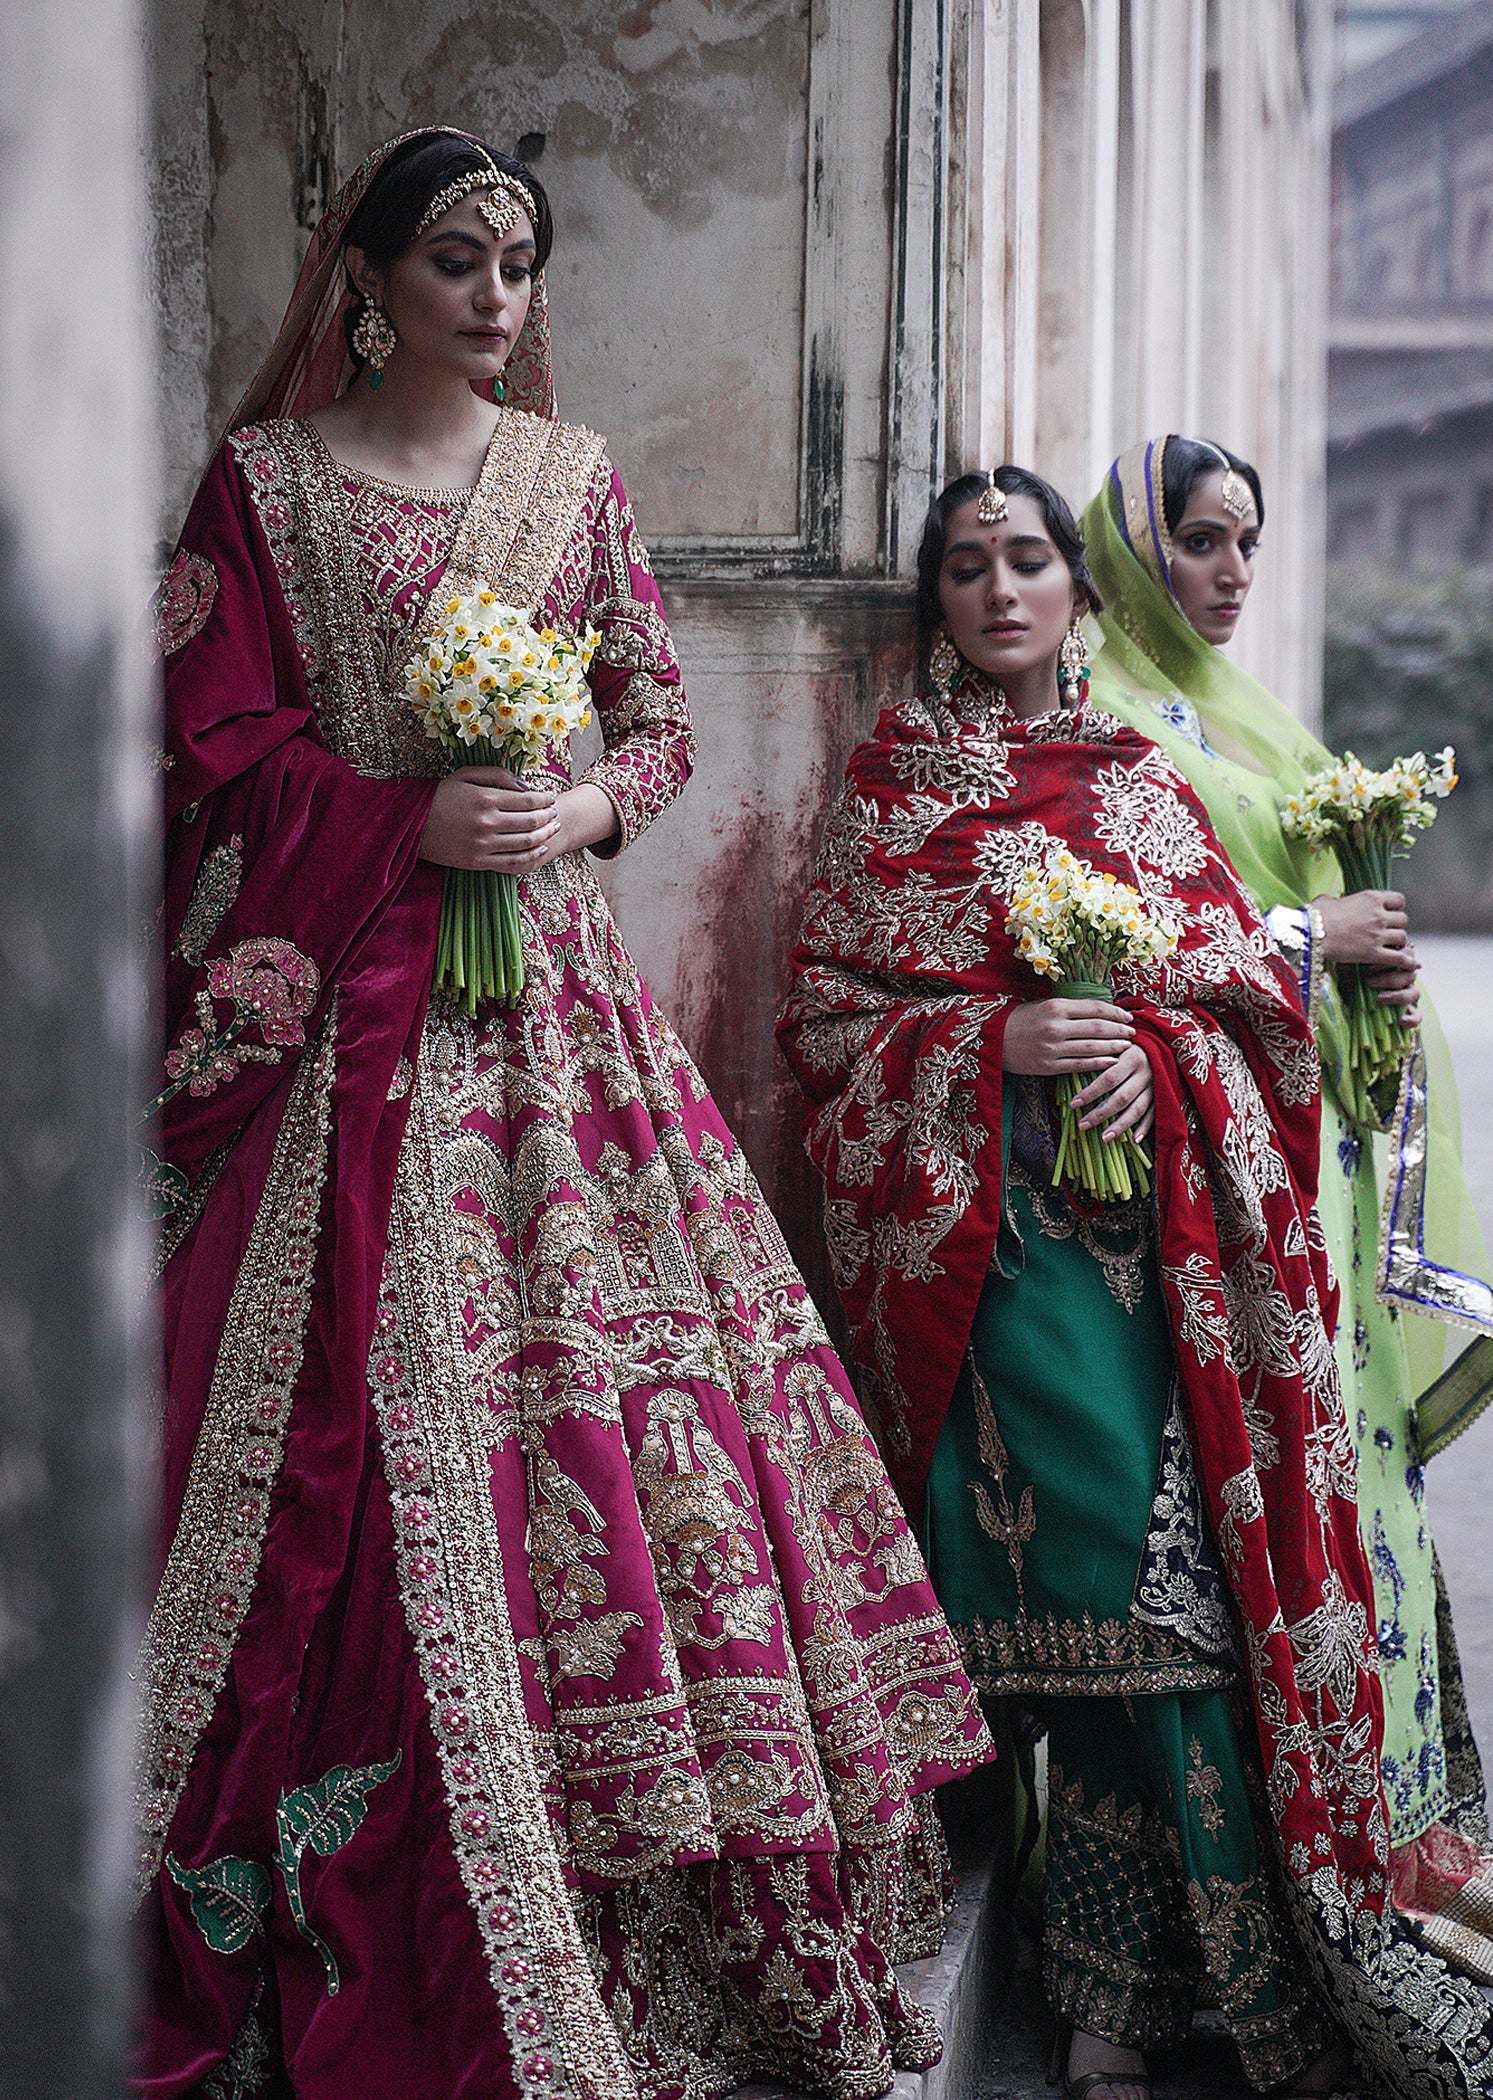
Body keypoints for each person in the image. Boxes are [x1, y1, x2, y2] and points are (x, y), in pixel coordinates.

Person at [137, 127, 990, 2100]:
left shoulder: (574, 478)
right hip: (355, 1014)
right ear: (363, 280)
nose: (498, 294)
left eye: (519, 261)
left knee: (626, 1443)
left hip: (564, 1024)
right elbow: (215, 742)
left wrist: (578, 806)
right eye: (456, 257)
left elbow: (658, 716)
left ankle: (637, 1892)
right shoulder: (263, 488)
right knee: (343, 1423)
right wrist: (401, 816)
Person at [778, 463, 1493, 2100]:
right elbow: (825, 1023)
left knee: (1170, 1628)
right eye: (965, 570)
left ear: (1079, 593)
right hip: (997, 1262)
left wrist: (1159, 1054)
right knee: (1074, 1614)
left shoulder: (1138, 783)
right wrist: (996, 1043)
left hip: (1164, 1269)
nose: (1001, 590)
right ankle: (1101, 1984)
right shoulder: (898, 786)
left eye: (1028, 560)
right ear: (939, 607)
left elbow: (1239, 979)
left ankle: (1164, 1989)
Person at [1079, 437, 1493, 1973]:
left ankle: (1389, 1828)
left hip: (1302, 1159)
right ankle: (1234, 1923)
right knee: (1220, 1535)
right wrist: (1307, 931)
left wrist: (1367, 966)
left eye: (1248, 542)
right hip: (1198, 1196)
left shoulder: (1244, 718)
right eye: (1199, 542)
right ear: (1134, 559)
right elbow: (1119, 948)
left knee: (1346, 1491)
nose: (1234, 573)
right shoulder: (1107, 727)